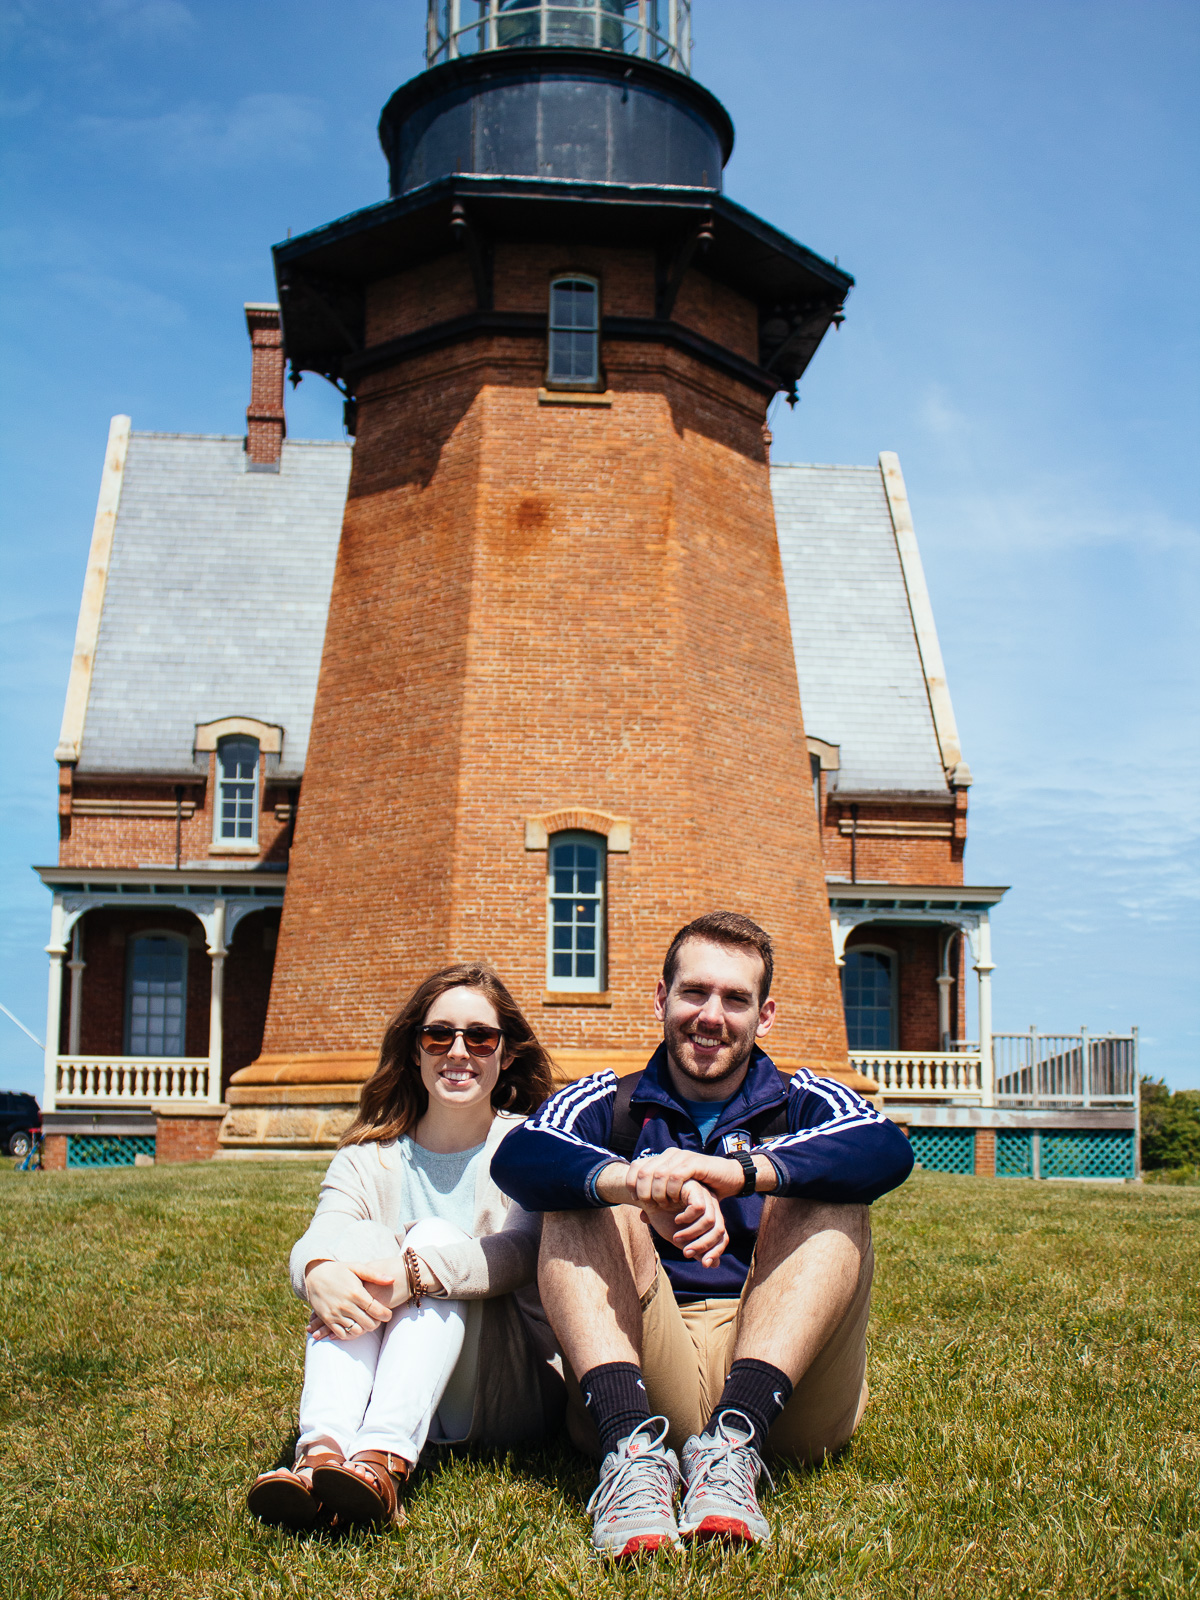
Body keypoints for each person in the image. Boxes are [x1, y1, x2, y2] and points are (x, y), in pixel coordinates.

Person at [491, 911, 915, 1559]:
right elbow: (521, 1157)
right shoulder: (611, 1102)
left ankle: (736, 1440)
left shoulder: (805, 1099)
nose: (711, 1015)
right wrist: (644, 1184)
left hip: (781, 1365)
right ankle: (631, 1454)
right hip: (644, 1358)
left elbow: (884, 1149)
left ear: (763, 1016)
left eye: (735, 999)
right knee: (578, 1194)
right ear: (663, 1000)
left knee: (830, 1192)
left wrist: (734, 1173)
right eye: (694, 993)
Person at [247, 962, 563, 1530]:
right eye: (438, 1034)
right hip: (392, 1376)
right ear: (415, 1050)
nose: (458, 1051)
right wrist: (317, 1269)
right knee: (353, 1241)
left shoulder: (530, 1146)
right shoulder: (367, 1155)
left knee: (432, 1240)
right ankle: (323, 1457)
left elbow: (521, 1250)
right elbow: (321, 1233)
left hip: (499, 1390)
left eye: (480, 1037)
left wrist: (411, 1274)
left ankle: (382, 1459)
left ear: (506, 1054)